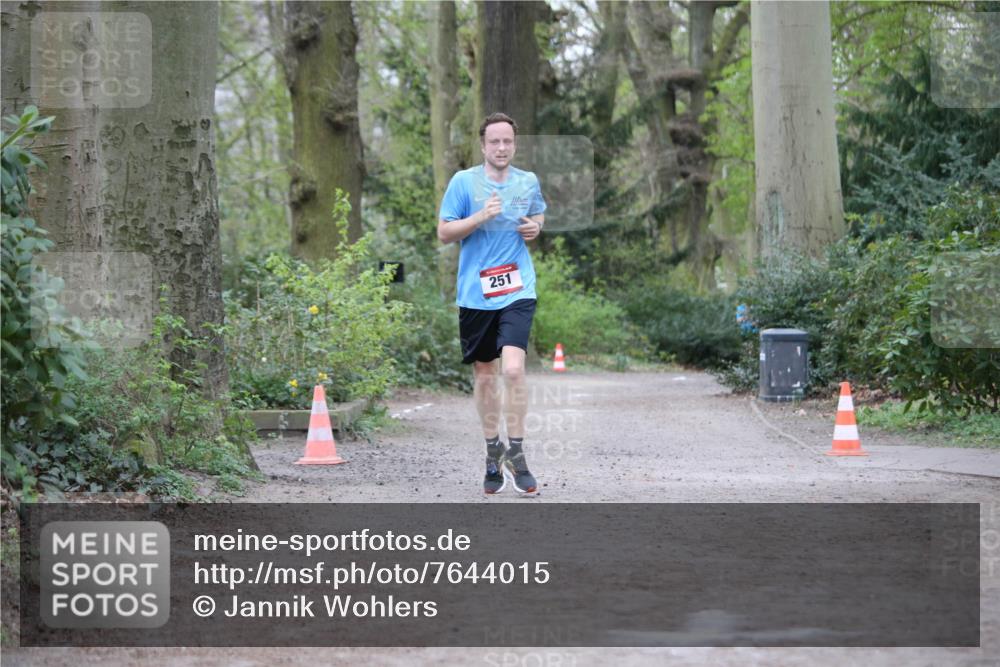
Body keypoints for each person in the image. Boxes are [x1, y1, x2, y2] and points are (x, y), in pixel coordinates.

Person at [437, 112, 546, 495]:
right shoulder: (463, 182)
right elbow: (445, 232)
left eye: (507, 141)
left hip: (518, 288)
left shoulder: (527, 181)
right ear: (483, 146)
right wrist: (480, 216)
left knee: (513, 370)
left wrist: (536, 226)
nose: (502, 147)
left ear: (514, 145)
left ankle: (516, 453)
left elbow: (537, 212)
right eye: (494, 142)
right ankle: (492, 451)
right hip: (476, 294)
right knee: (485, 375)